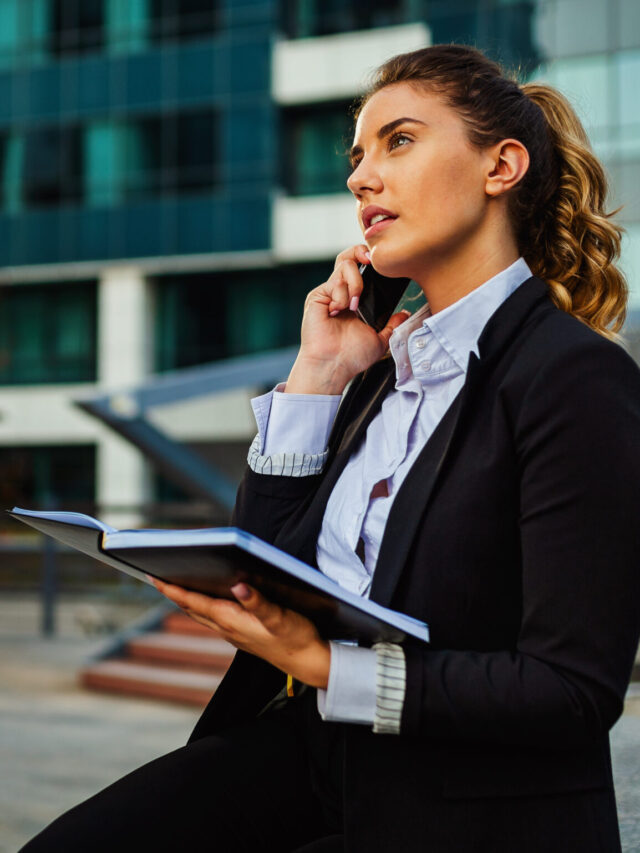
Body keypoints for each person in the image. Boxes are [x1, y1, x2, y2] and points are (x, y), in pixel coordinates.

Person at [21, 44, 640, 853]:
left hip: (468, 803)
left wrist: (324, 666)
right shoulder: (381, 371)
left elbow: (571, 692)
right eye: (357, 156)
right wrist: (317, 375)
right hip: (314, 755)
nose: (360, 177)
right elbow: (271, 565)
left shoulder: (575, 377)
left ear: (502, 166)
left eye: (399, 141)